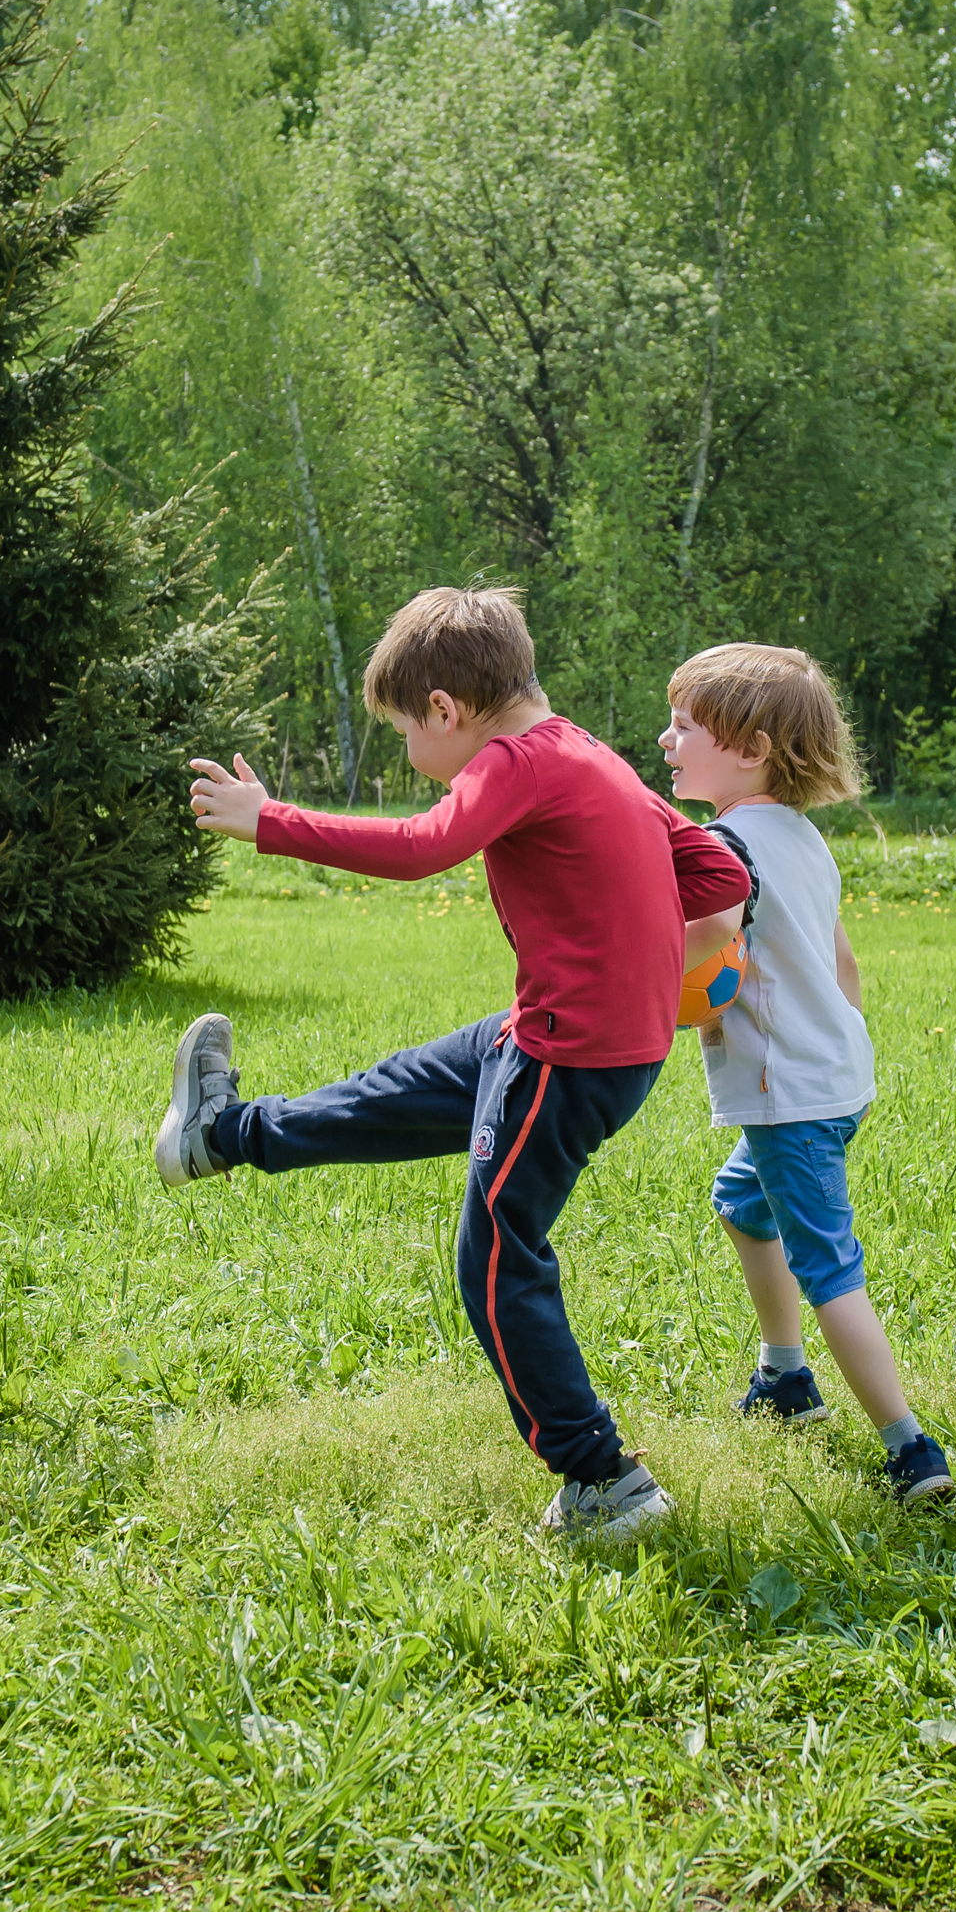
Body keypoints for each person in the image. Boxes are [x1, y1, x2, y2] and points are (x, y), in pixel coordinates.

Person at [158, 586, 750, 1546]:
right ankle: (219, 1136)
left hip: (568, 1053)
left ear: (445, 709)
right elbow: (723, 877)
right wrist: (627, 921)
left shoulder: (516, 760)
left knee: (496, 1256)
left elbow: (422, 849)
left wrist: (268, 819)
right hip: (572, 1037)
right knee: (393, 1095)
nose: (411, 757)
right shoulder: (584, 751)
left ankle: (603, 1482)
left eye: (402, 732)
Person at [657, 643, 956, 1507]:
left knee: (830, 1270)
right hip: (837, 1078)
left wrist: (636, 975)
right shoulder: (802, 838)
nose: (666, 740)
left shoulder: (725, 847)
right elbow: (843, 965)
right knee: (741, 1203)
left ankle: (911, 1450)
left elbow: (703, 937)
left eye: (685, 727)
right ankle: (785, 1380)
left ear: (750, 748)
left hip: (786, 1097)